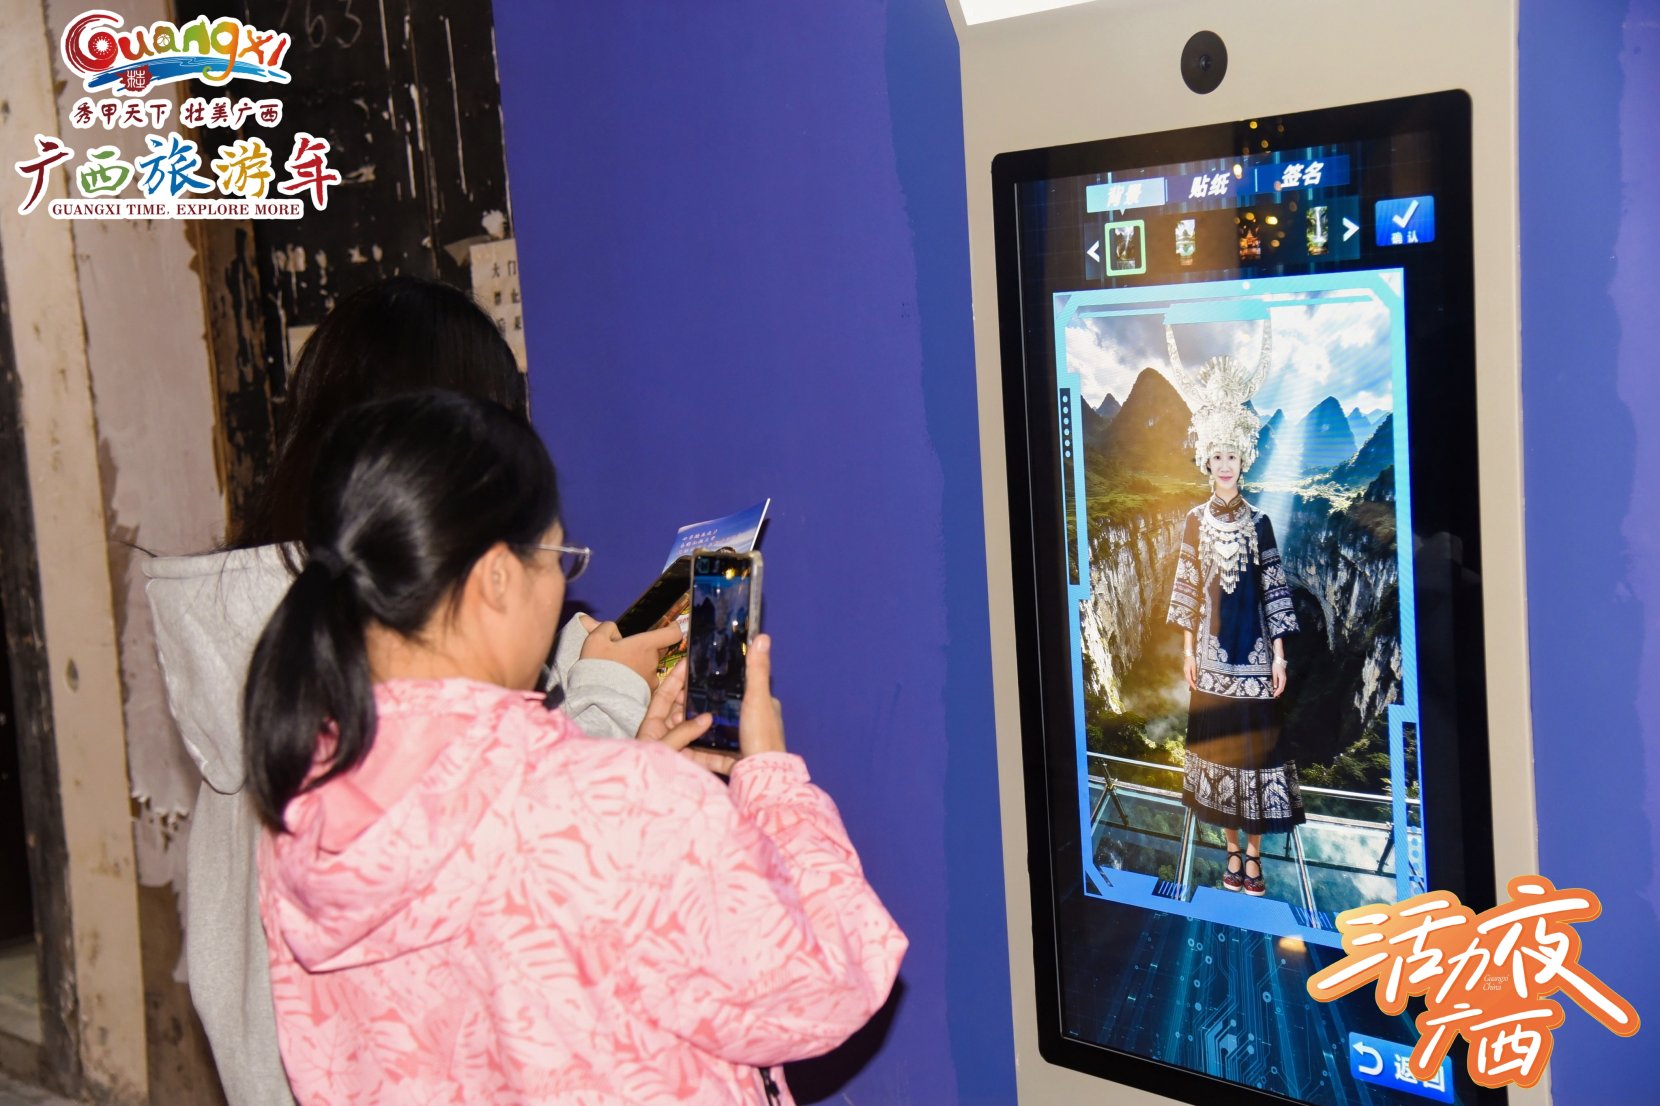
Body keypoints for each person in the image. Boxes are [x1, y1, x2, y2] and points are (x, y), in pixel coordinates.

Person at [245, 389, 905, 1104]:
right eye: (559, 559)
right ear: (497, 577)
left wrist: (633, 779)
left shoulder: (306, 804)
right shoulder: (617, 808)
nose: (562, 593)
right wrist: (771, 779)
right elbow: (826, 984)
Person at [144, 277, 675, 1106]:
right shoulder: (364, 658)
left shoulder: (275, 623)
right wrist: (605, 708)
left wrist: (568, 669)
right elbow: (514, 880)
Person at [1162, 321, 1303, 899]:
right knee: (1220, 758)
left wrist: (1279, 657)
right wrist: (1186, 653)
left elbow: (1274, 590)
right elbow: (1187, 588)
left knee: (1257, 758)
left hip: (1255, 662)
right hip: (1212, 664)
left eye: (1232, 455)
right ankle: (1231, 854)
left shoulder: (1261, 522)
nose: (1225, 464)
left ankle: (1255, 857)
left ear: (1244, 460)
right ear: (1207, 459)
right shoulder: (1194, 522)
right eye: (1216, 455)